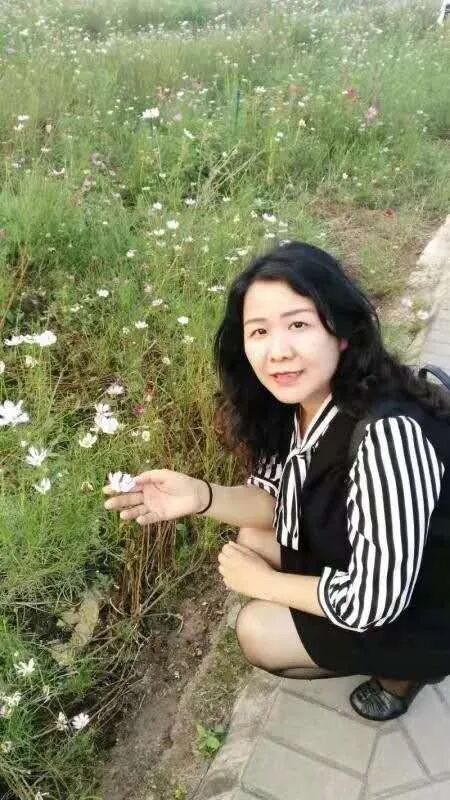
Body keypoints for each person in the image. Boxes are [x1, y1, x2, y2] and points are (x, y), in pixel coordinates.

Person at [103, 241, 450, 722]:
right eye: (260, 331)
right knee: (254, 537)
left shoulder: (387, 436)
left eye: (299, 325)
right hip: (385, 562)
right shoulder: (299, 401)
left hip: (427, 602)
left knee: (258, 630)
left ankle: (405, 673)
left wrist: (266, 583)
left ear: (342, 332)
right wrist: (200, 495)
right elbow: (273, 499)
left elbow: (375, 602)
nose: (279, 351)